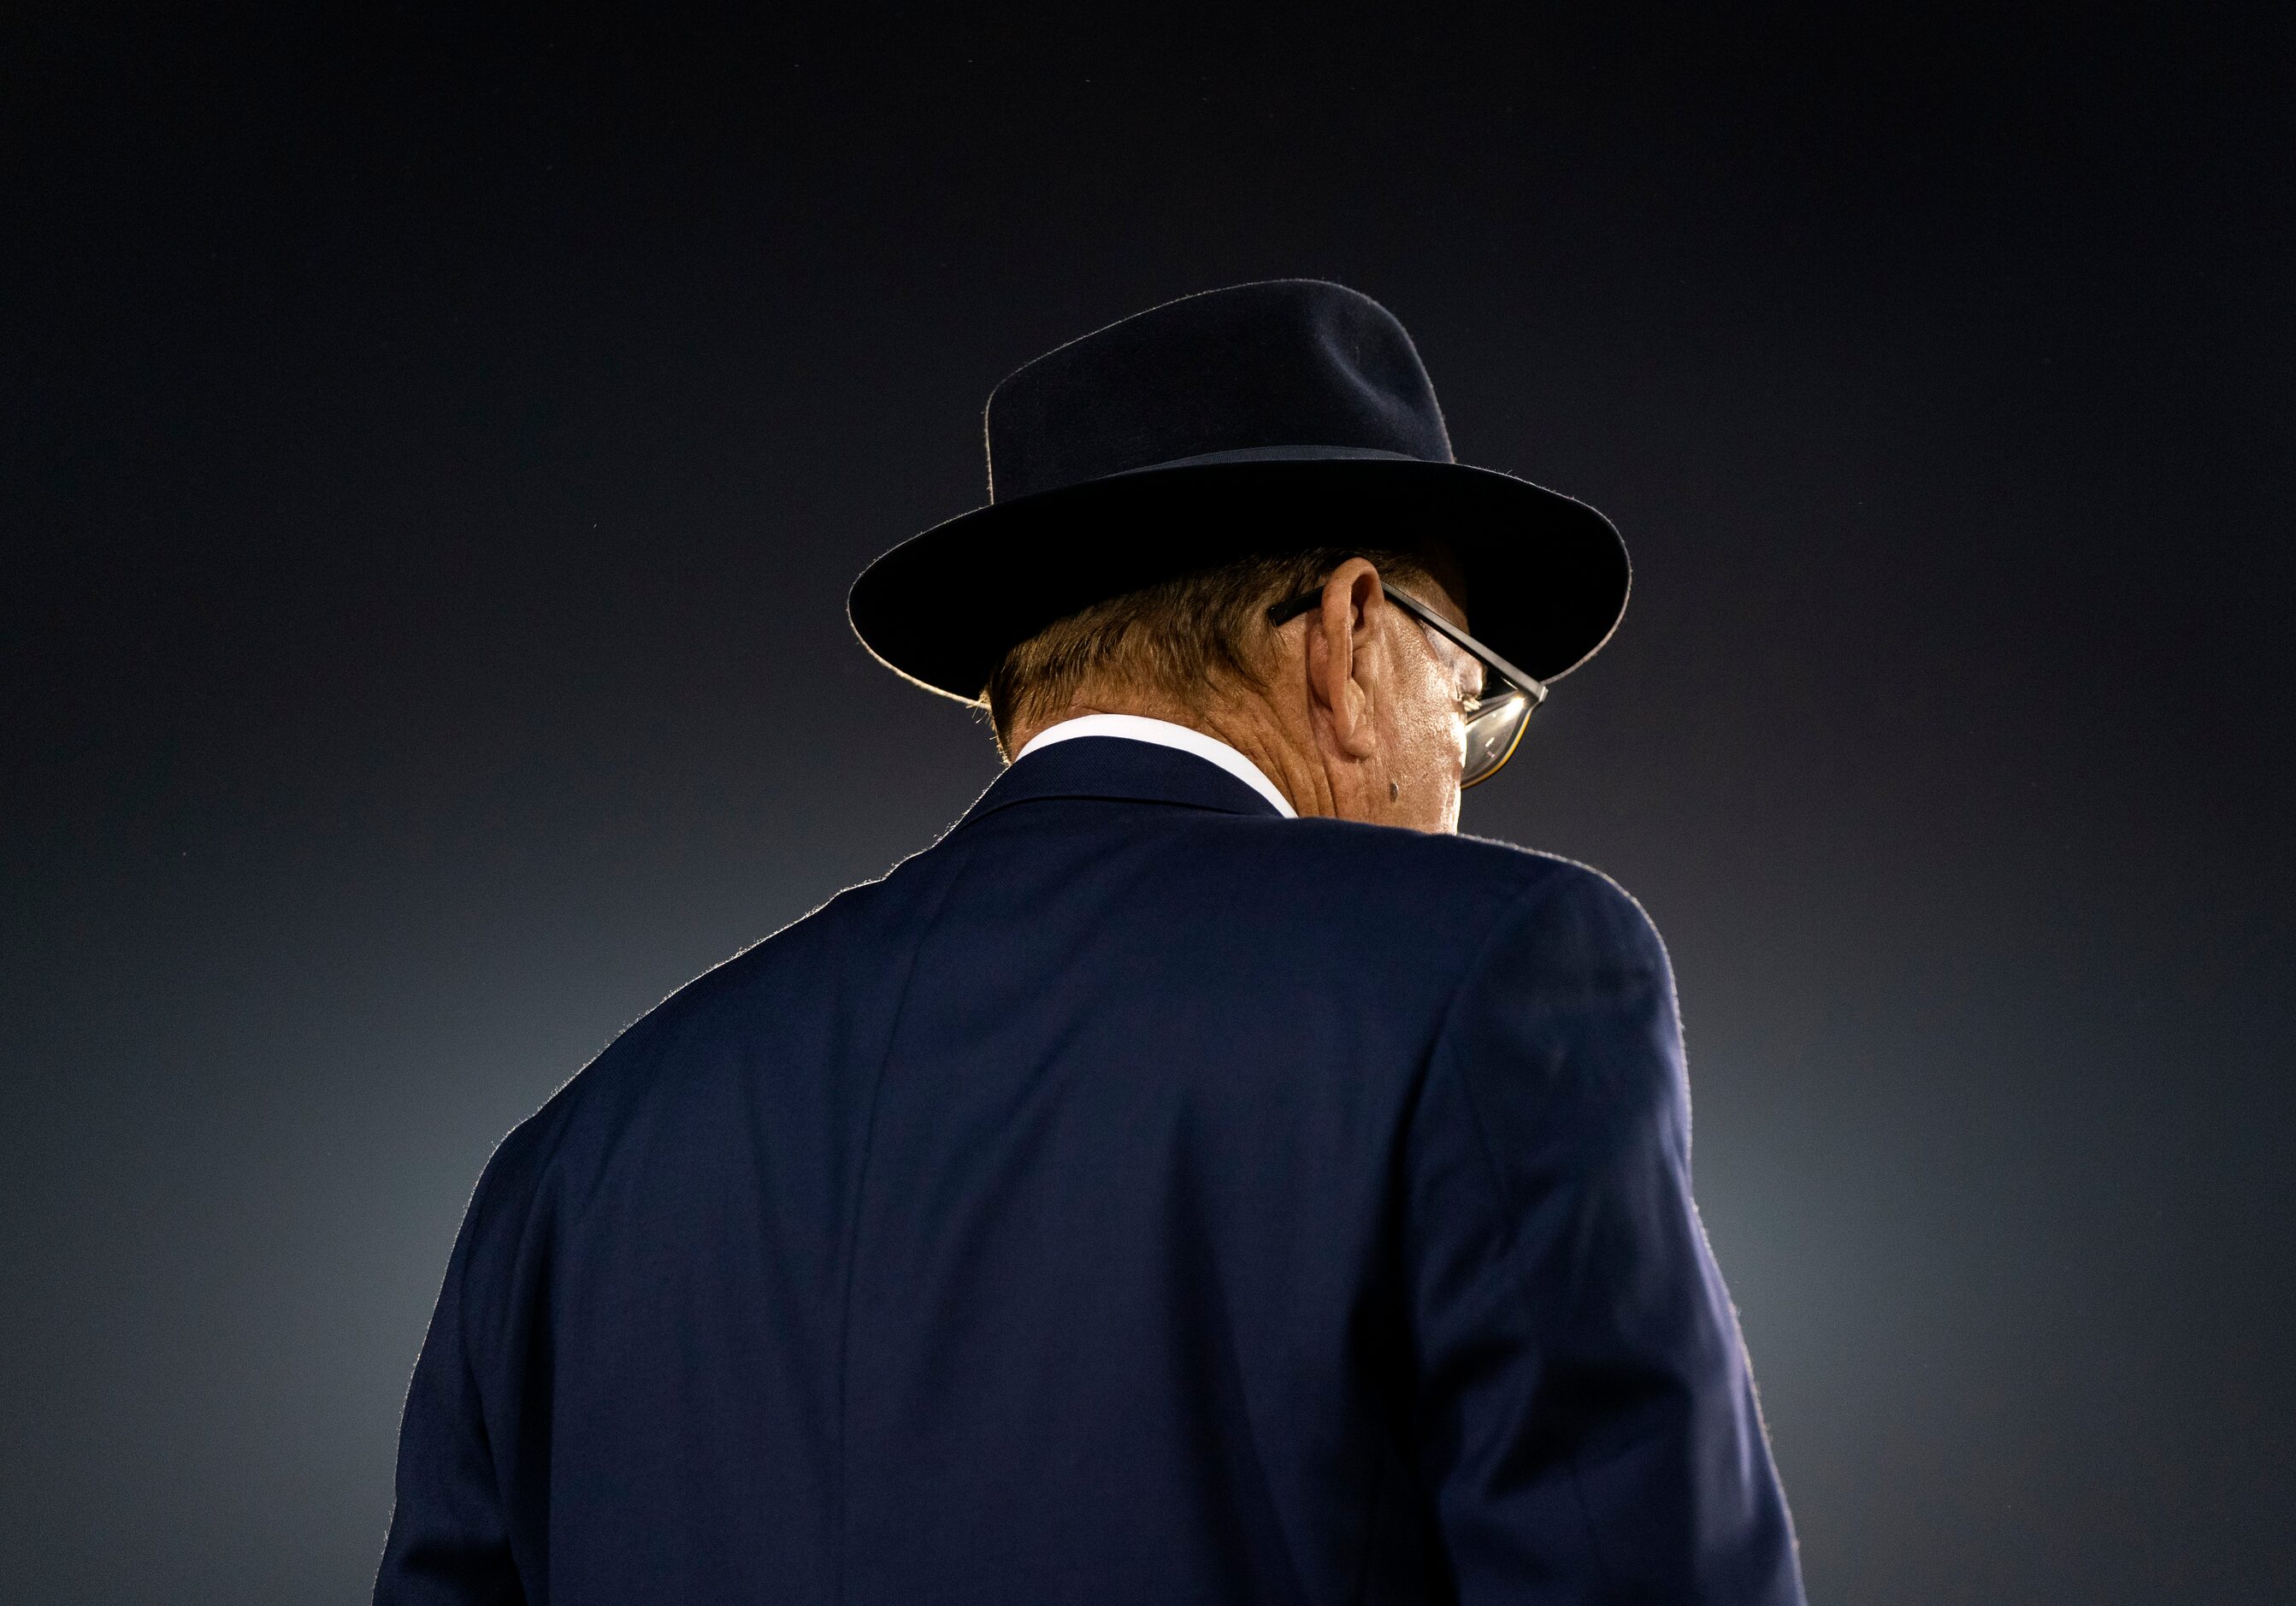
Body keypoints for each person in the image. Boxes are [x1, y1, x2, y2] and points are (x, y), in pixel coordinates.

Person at [376, 280, 1807, 1603]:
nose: (1461, 767)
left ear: (1020, 698)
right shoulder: (1494, 979)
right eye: (1473, 695)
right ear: (1352, 634)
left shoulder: (564, 1172)